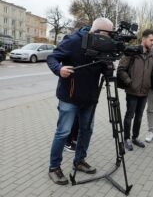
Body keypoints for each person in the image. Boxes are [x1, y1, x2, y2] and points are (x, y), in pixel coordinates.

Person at [47, 18, 114, 185]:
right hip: (69, 97)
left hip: (90, 98)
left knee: (87, 129)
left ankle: (79, 160)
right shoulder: (73, 40)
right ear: (97, 32)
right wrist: (59, 69)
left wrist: (109, 66)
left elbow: (105, 69)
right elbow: (52, 57)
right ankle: (54, 167)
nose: (108, 39)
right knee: (63, 132)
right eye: (106, 35)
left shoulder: (103, 45)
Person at [117, 29, 153, 151]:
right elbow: (120, 69)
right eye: (151, 40)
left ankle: (135, 137)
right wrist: (129, 82)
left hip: (145, 91)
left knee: (139, 116)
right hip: (132, 90)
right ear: (143, 39)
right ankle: (126, 139)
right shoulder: (132, 52)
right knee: (129, 115)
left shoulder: (152, 55)